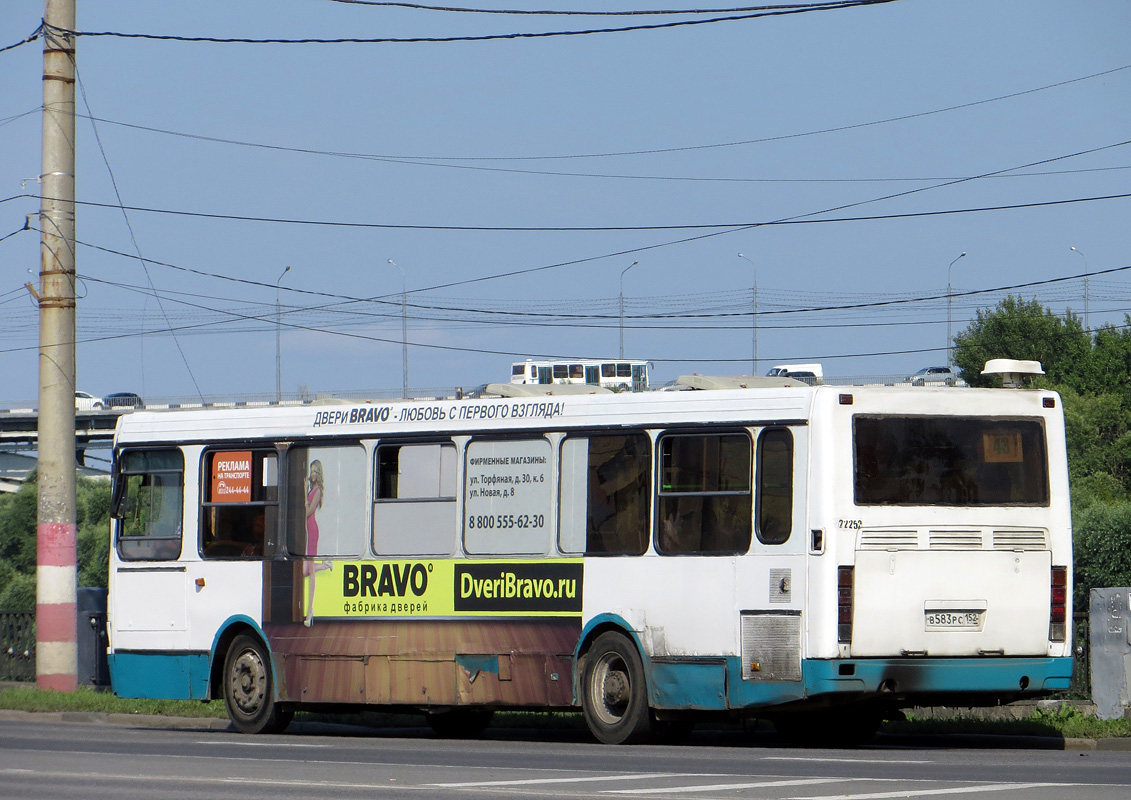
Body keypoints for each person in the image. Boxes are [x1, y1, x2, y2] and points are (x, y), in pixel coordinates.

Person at [303, 459, 332, 626]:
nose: (312, 474)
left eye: (314, 471)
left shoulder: (318, 490)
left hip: (311, 530)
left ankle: (309, 612)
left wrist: (302, 496)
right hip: (306, 530)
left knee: (310, 571)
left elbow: (308, 512)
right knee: (306, 570)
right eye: (311, 471)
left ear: (318, 473)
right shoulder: (311, 489)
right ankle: (326, 565)